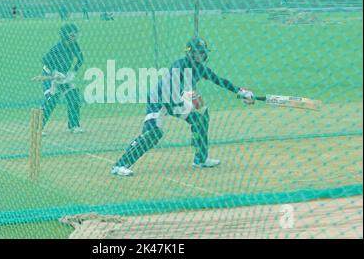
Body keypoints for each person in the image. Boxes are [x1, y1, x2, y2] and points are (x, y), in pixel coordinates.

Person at [110, 36, 255, 176]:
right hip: (160, 100)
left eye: (203, 53)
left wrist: (241, 92)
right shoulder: (179, 66)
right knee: (152, 134)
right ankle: (120, 165)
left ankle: (201, 159)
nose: (201, 56)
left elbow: (219, 80)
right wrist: (192, 99)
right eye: (198, 53)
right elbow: (176, 91)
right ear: (190, 53)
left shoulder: (201, 69)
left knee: (201, 116)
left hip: (176, 101)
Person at [40, 24, 84, 134]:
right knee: (51, 99)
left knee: (73, 96)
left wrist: (72, 72)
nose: (74, 35)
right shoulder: (57, 48)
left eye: (75, 32)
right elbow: (45, 60)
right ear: (65, 35)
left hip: (64, 76)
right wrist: (55, 72)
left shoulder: (75, 45)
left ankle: (74, 125)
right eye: (71, 33)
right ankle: (38, 127)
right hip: (50, 76)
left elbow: (81, 59)